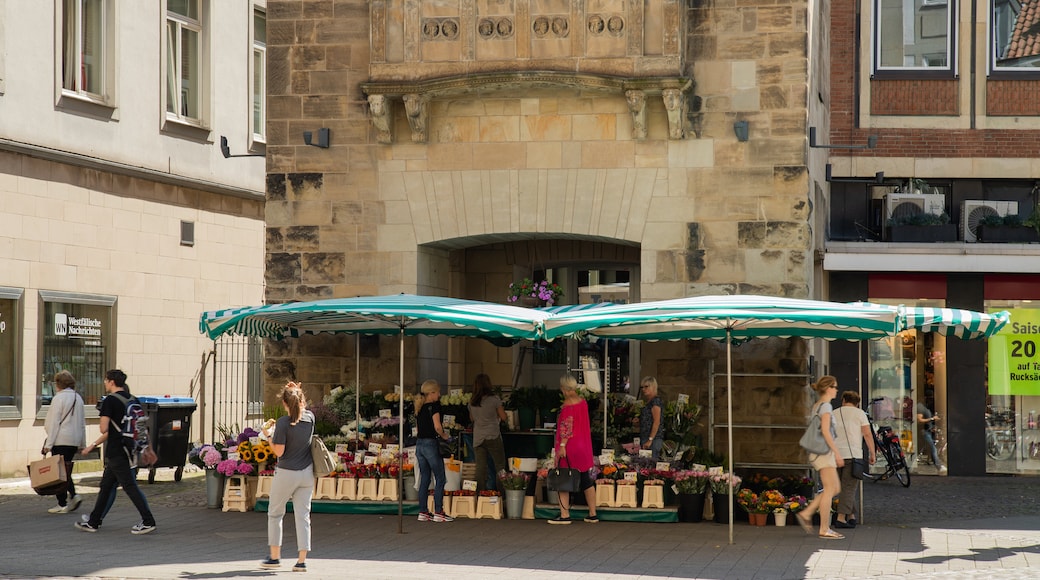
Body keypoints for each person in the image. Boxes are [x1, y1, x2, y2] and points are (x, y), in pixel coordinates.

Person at [75, 369, 156, 534]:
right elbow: (141, 427)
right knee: (106, 486)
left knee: (129, 486)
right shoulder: (133, 399)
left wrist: (104, 422)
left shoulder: (110, 401)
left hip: (116, 450)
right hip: (129, 449)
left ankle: (148, 520)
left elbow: (104, 428)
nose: (104, 383)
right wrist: (148, 449)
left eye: (105, 380)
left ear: (111, 381)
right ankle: (93, 522)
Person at [260, 381, 314, 572]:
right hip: (307, 473)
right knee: (303, 516)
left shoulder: (283, 423)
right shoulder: (310, 418)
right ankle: (302, 560)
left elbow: (279, 452)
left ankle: (275, 557)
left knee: (275, 513)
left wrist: (268, 437)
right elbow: (303, 409)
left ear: (284, 404)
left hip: (286, 473)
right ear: (301, 400)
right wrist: (296, 390)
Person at [794, 375, 844, 539]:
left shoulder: (818, 405)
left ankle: (807, 513)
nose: (837, 390)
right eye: (835, 387)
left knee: (834, 488)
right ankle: (824, 528)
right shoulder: (826, 407)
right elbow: (825, 431)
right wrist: (836, 452)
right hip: (824, 452)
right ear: (828, 388)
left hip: (821, 452)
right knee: (831, 489)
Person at [549, 374, 599, 524]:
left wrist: (562, 445)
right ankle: (592, 513)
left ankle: (564, 515)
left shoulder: (567, 405)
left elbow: (567, 427)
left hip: (570, 447)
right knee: (586, 480)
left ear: (564, 388)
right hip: (584, 446)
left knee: (563, 479)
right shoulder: (583, 402)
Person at [42, 370, 86, 514]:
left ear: (58, 383)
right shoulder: (78, 398)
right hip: (73, 440)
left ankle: (64, 502)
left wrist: (48, 444)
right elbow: (82, 423)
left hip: (60, 439)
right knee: (65, 470)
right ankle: (73, 495)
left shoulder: (58, 398)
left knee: (59, 473)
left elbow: (54, 422)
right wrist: (82, 443)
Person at [832, 390, 876, 529]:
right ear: (857, 403)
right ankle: (841, 518)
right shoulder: (860, 414)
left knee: (843, 487)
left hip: (836, 456)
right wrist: (872, 453)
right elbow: (867, 435)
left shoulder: (834, 413)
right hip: (853, 455)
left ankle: (851, 516)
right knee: (849, 487)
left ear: (843, 400)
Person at [415, 379, 453, 523]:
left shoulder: (419, 407)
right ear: (431, 393)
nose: (439, 395)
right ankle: (439, 511)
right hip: (431, 444)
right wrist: (445, 437)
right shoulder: (434, 407)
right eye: (437, 392)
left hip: (420, 445)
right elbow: (437, 427)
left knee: (425, 478)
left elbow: (418, 429)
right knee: (440, 478)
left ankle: (423, 511)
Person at [468, 374, 508, 493]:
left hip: (478, 438)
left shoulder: (472, 401)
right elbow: (504, 417)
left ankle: (479, 493)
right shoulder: (494, 399)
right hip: (493, 435)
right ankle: (501, 493)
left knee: (480, 468)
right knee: (500, 466)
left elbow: (472, 419)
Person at [638, 377, 664, 460]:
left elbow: (656, 421)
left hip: (653, 439)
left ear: (653, 387)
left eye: (646, 387)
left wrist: (650, 439)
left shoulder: (655, 401)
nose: (643, 389)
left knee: (651, 463)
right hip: (646, 437)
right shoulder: (649, 402)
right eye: (642, 387)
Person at [917, 401, 946, 473]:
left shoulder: (927, 408)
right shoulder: (920, 407)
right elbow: (919, 420)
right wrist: (932, 419)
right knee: (933, 448)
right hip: (924, 431)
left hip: (929, 431)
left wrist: (932, 426)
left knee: (927, 448)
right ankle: (939, 466)